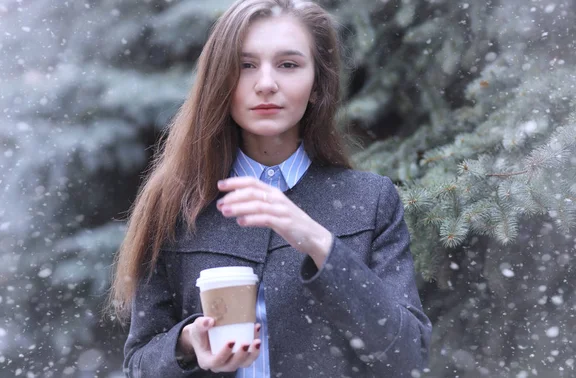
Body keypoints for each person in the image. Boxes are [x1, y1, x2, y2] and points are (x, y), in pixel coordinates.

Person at [108, 0, 432, 376]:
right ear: (220, 81)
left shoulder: (371, 201)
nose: (265, 84)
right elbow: (138, 365)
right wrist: (187, 344)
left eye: (288, 65)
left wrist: (318, 243)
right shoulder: (176, 205)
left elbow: (409, 356)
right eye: (245, 66)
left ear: (317, 86)